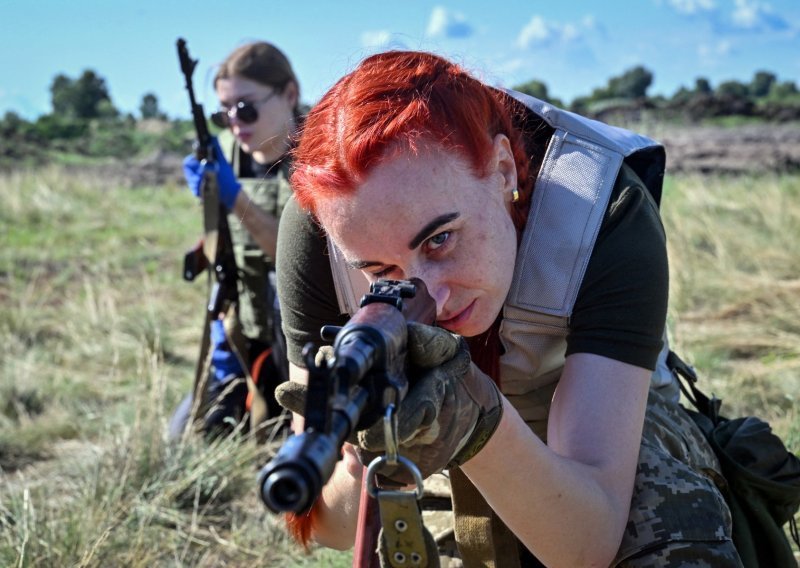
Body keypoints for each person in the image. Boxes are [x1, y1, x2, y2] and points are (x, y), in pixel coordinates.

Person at [274, 50, 744, 566]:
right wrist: (368, 444)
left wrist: (477, 422)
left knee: (671, 529)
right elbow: (329, 527)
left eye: (441, 240)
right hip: (432, 440)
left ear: (502, 171)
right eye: (380, 271)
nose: (432, 293)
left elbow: (588, 541)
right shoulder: (323, 227)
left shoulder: (600, 211)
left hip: (594, 423)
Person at [178, 41, 299, 437]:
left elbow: (292, 256)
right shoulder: (229, 155)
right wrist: (213, 205)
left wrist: (233, 198)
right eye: (223, 113)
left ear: (290, 94)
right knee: (185, 435)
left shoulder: (320, 159)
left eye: (246, 108)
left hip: (304, 338)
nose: (235, 123)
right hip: (246, 329)